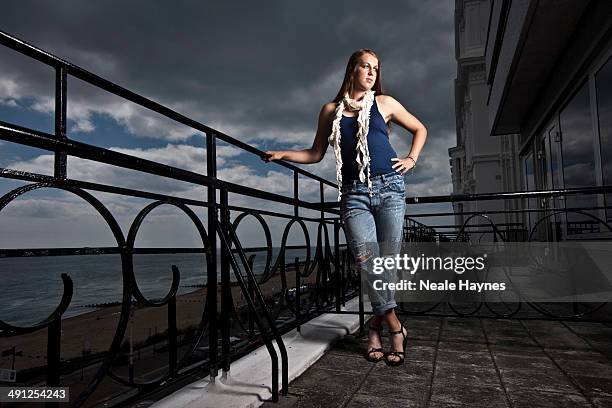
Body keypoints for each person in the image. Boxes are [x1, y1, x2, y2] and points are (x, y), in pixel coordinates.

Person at [262, 49, 427, 366]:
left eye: (376, 69)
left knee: (386, 268)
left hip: (390, 188)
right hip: (353, 195)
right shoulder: (330, 110)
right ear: (352, 69)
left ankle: (375, 332)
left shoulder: (385, 103)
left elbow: (420, 129)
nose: (371, 73)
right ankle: (396, 328)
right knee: (369, 263)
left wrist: (411, 159)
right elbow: (315, 153)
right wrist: (283, 154)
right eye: (365, 66)